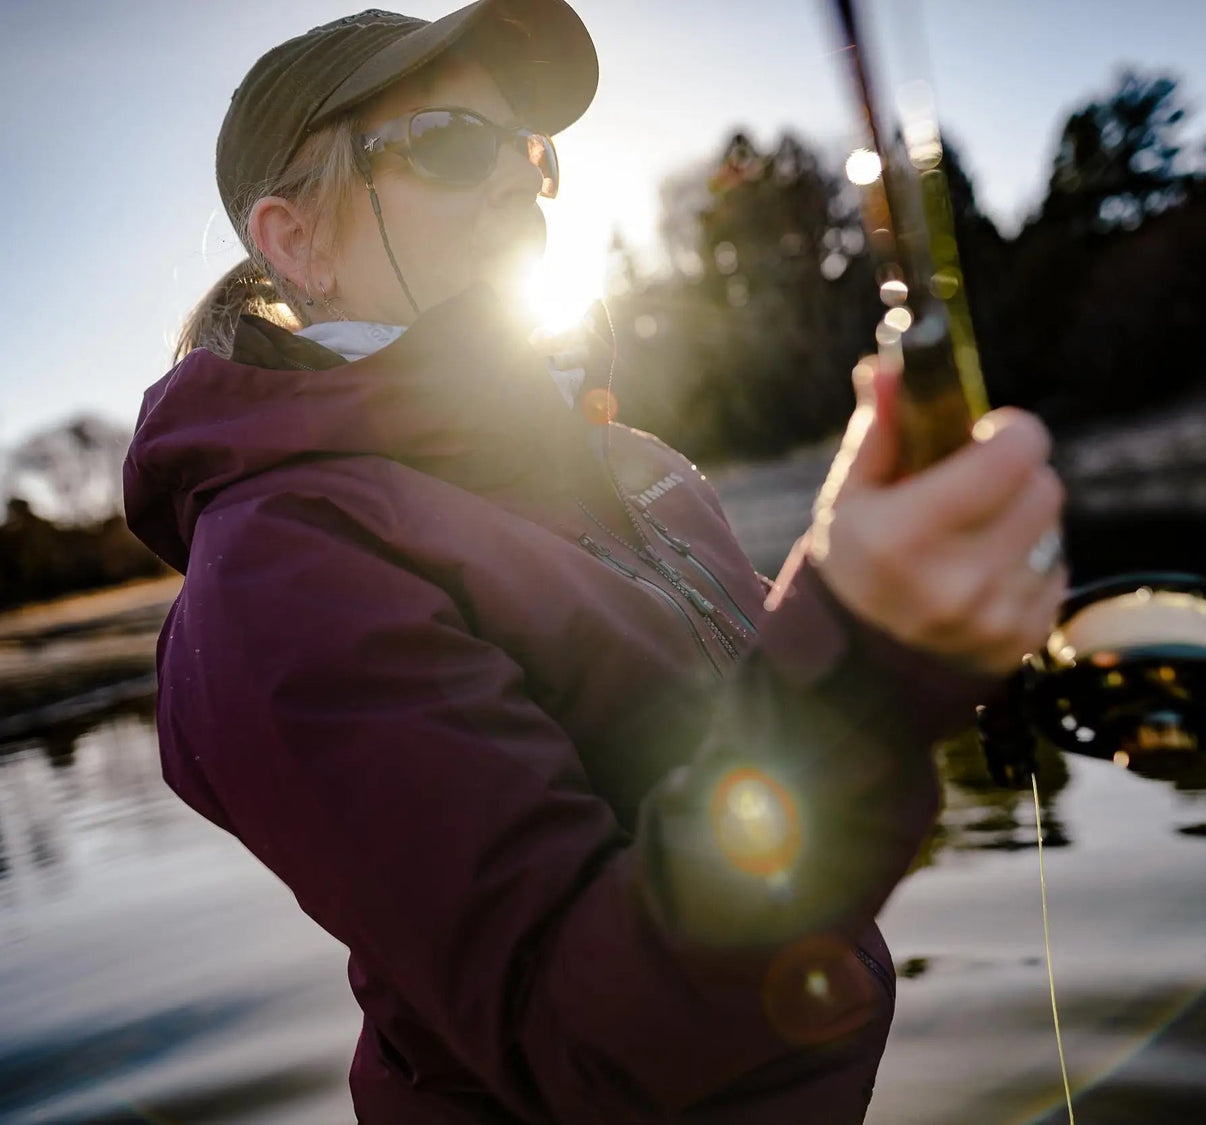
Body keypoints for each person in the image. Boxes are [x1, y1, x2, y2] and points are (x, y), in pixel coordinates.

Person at [122, 2, 1067, 1121]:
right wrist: (866, 659)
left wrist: (944, 646)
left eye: (528, 148)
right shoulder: (280, 574)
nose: (521, 178)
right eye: (449, 143)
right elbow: (598, 1036)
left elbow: (756, 719)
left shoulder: (627, 461)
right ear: (296, 241)